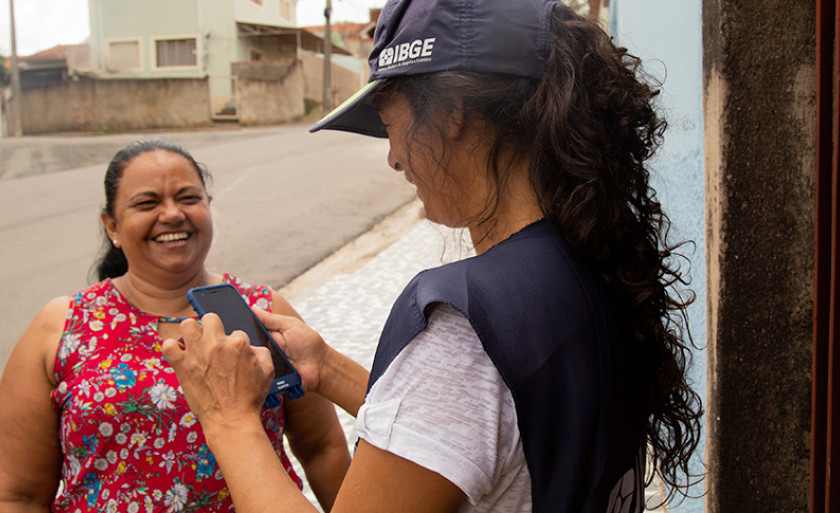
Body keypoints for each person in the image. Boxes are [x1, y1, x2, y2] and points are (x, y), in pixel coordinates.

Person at [161, 1, 704, 512]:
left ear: (453, 115)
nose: (395, 159)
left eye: (392, 126)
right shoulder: (591, 258)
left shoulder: (466, 322)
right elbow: (468, 431)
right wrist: (325, 368)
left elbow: (463, 394)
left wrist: (228, 417)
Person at [0, 139, 351, 512]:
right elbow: (17, 494)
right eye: (147, 203)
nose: (172, 214)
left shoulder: (263, 312)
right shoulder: (61, 327)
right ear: (112, 226)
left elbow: (321, 446)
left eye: (188, 198)